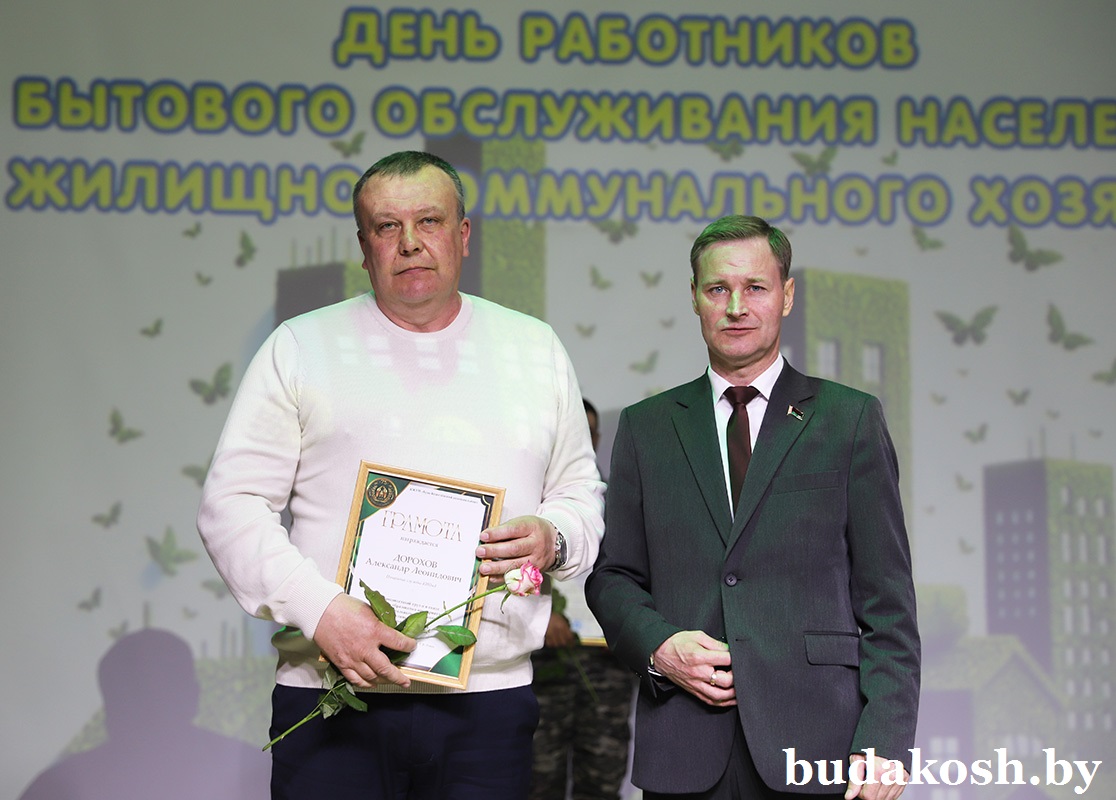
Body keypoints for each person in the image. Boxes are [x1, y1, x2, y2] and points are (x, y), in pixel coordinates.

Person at [197, 150, 605, 799]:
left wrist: (553, 537)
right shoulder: (302, 347)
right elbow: (232, 505)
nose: (410, 242)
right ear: (364, 248)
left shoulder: (534, 349)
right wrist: (321, 610)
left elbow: (580, 493)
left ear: (463, 235)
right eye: (387, 227)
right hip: (331, 691)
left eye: (429, 221)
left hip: (488, 703)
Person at [585, 215, 919, 800]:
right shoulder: (646, 428)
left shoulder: (849, 420)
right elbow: (613, 578)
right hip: (684, 742)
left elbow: (886, 600)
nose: (736, 306)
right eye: (718, 288)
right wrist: (659, 648)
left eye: (755, 287)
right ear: (694, 297)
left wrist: (885, 741)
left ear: (786, 295)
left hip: (820, 747)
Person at [529, 398, 636, 800]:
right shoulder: (531, 494)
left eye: (591, 433)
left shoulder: (625, 498)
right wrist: (540, 615)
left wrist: (628, 624)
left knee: (602, 779)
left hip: (607, 662)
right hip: (544, 661)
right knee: (539, 778)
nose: (585, 441)